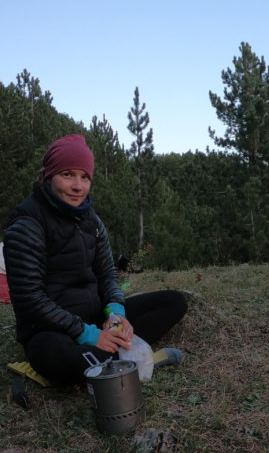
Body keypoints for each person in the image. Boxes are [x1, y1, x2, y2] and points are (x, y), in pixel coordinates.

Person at [2, 134, 187, 385]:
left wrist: (115, 314)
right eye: (68, 174)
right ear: (48, 175)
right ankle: (131, 358)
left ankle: (109, 360)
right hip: (52, 330)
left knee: (174, 302)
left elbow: (107, 273)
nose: (78, 186)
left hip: (96, 316)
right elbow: (30, 300)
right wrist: (87, 334)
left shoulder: (92, 221)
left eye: (85, 177)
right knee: (54, 356)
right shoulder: (27, 224)